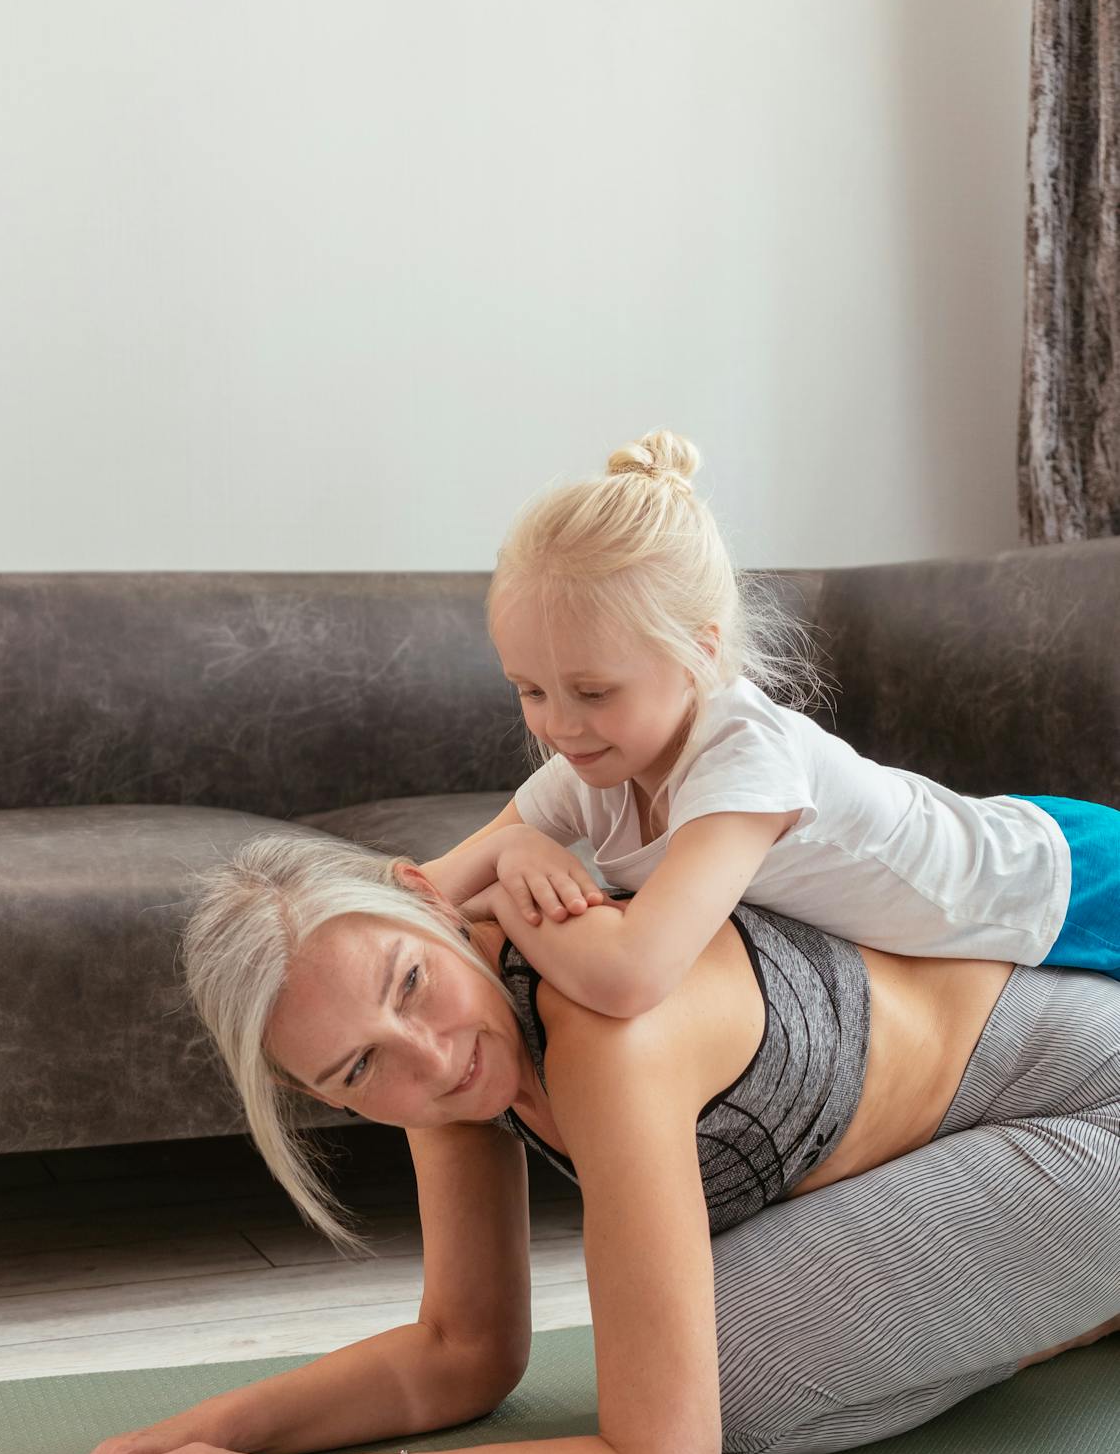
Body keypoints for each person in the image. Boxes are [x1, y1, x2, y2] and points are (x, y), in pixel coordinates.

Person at [0, 835, 1120, 1454]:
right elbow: (461, 1347)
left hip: (1093, 1099)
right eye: (357, 1070)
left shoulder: (603, 1026)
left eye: (410, 984)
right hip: (982, 1134)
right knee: (693, 1346)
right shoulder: (447, 1056)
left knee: (727, 1376)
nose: (429, 1062)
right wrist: (189, 1439)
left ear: (424, 900)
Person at [419, 429, 1120, 1022]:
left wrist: (509, 866)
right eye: (529, 690)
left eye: (594, 691)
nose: (560, 726)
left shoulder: (741, 758)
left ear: (699, 652)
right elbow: (423, 891)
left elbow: (632, 977)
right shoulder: (597, 765)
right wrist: (502, 856)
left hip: (1061, 881)